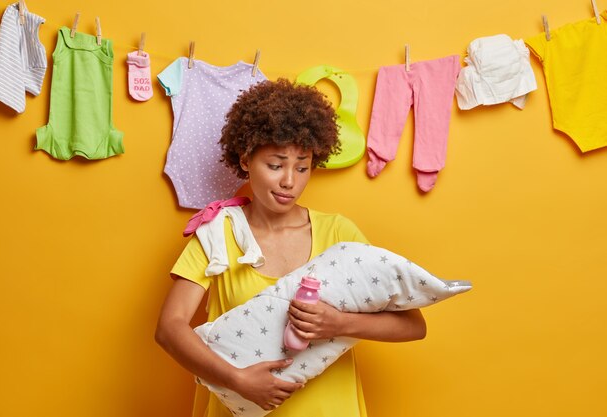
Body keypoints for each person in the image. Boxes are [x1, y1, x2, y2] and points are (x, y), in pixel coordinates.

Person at [155, 78, 427, 417]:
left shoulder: (339, 233)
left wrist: (338, 323)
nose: (289, 181)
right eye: (275, 165)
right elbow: (170, 328)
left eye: (302, 166)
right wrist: (237, 380)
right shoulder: (218, 234)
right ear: (245, 160)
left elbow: (413, 325)